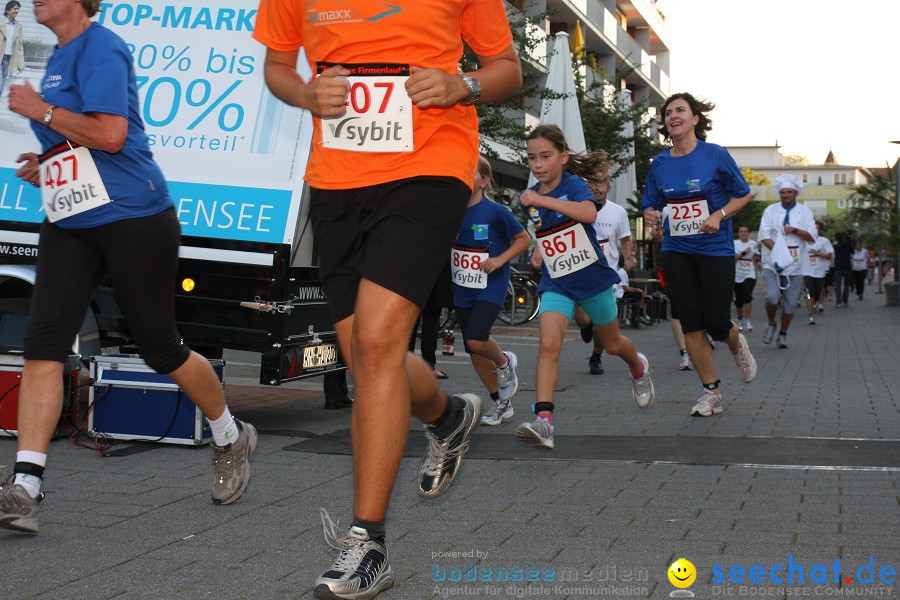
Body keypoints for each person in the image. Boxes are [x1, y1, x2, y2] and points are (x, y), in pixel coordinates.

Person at [253, 2, 522, 597]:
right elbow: (277, 66)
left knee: (375, 345)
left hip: (429, 166)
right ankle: (448, 416)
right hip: (336, 180)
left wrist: (463, 84)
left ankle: (367, 544)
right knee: (366, 354)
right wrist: (305, 95)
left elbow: (507, 68)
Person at [1, 0, 257, 534]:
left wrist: (39, 111)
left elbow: (112, 135)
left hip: (133, 216)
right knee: (43, 344)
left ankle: (230, 433)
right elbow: (81, 138)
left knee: (160, 347)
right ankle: (26, 487)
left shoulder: (103, 47)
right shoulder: (59, 55)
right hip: (71, 218)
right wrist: (48, 159)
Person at [518, 124, 655, 449]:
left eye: (546, 156)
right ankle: (545, 420)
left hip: (592, 277)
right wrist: (539, 248)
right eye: (532, 158)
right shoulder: (530, 199)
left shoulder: (574, 184)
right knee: (549, 343)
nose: (538, 164)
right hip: (557, 281)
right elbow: (545, 230)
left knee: (612, 345)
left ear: (563, 157)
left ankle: (638, 367)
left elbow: (588, 214)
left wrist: (544, 200)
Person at [641, 92, 757, 417]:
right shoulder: (660, 164)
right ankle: (711, 393)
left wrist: (719, 215)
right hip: (676, 250)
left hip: (715, 250)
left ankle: (736, 343)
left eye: (680, 110)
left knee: (717, 325)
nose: (673, 116)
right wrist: (651, 216)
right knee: (691, 323)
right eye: (668, 112)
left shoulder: (715, 155)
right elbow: (651, 202)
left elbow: (743, 194)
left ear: (695, 119)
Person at [452, 156, 529, 426]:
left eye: (468, 171)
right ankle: (500, 401)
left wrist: (499, 260)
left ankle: (505, 361)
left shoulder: (496, 212)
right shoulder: (452, 210)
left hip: (490, 285)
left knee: (476, 338)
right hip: (463, 287)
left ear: (483, 182)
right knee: (474, 353)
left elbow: (523, 239)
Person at [572, 173, 639, 374]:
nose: (598, 188)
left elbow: (625, 240)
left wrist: (628, 257)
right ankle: (585, 328)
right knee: (584, 320)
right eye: (593, 183)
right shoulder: (577, 207)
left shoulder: (617, 212)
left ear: (609, 187)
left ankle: (596, 356)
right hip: (581, 270)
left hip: (605, 274)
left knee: (603, 322)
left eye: (602, 183)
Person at [758, 174, 817, 349]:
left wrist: (794, 230)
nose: (786, 195)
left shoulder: (805, 212)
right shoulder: (770, 210)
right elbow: (763, 235)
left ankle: (783, 334)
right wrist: (778, 252)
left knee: (791, 303)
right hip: (772, 262)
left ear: (796, 192)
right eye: (783, 192)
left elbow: (812, 236)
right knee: (772, 296)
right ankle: (771, 323)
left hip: (796, 265)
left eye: (789, 192)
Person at [409, 261, 453, 379]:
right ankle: (428, 366)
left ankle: (407, 363)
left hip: (412, 263)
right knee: (431, 315)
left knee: (411, 315)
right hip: (435, 262)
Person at [802, 221, 833, 324]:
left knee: (817, 292)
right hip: (807, 271)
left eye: (817, 228)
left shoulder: (824, 241)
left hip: (819, 271)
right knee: (809, 291)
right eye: (812, 228)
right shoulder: (803, 241)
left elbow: (829, 256)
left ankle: (814, 302)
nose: (815, 230)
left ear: (820, 230)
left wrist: (818, 254)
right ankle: (811, 315)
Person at [733, 225, 759, 331]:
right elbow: (734, 258)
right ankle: (740, 319)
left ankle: (748, 320)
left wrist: (759, 261)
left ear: (748, 233)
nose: (743, 233)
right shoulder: (735, 243)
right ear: (739, 234)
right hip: (738, 274)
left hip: (750, 273)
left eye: (745, 231)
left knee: (747, 296)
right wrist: (744, 252)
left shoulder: (753, 244)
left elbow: (756, 256)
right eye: (741, 231)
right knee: (738, 300)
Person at [1, 1, 24, 95]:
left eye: (18, 9)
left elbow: (19, 46)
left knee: (2, 83)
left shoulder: (18, 26)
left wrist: (21, 64)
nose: (17, 11)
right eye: (15, 8)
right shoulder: (0, 23)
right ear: (7, 10)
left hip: (8, 59)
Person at [832, 231, 853, 308]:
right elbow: (853, 252)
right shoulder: (848, 246)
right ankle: (845, 301)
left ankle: (838, 302)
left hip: (838, 268)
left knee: (838, 286)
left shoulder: (835, 247)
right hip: (847, 267)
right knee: (846, 285)